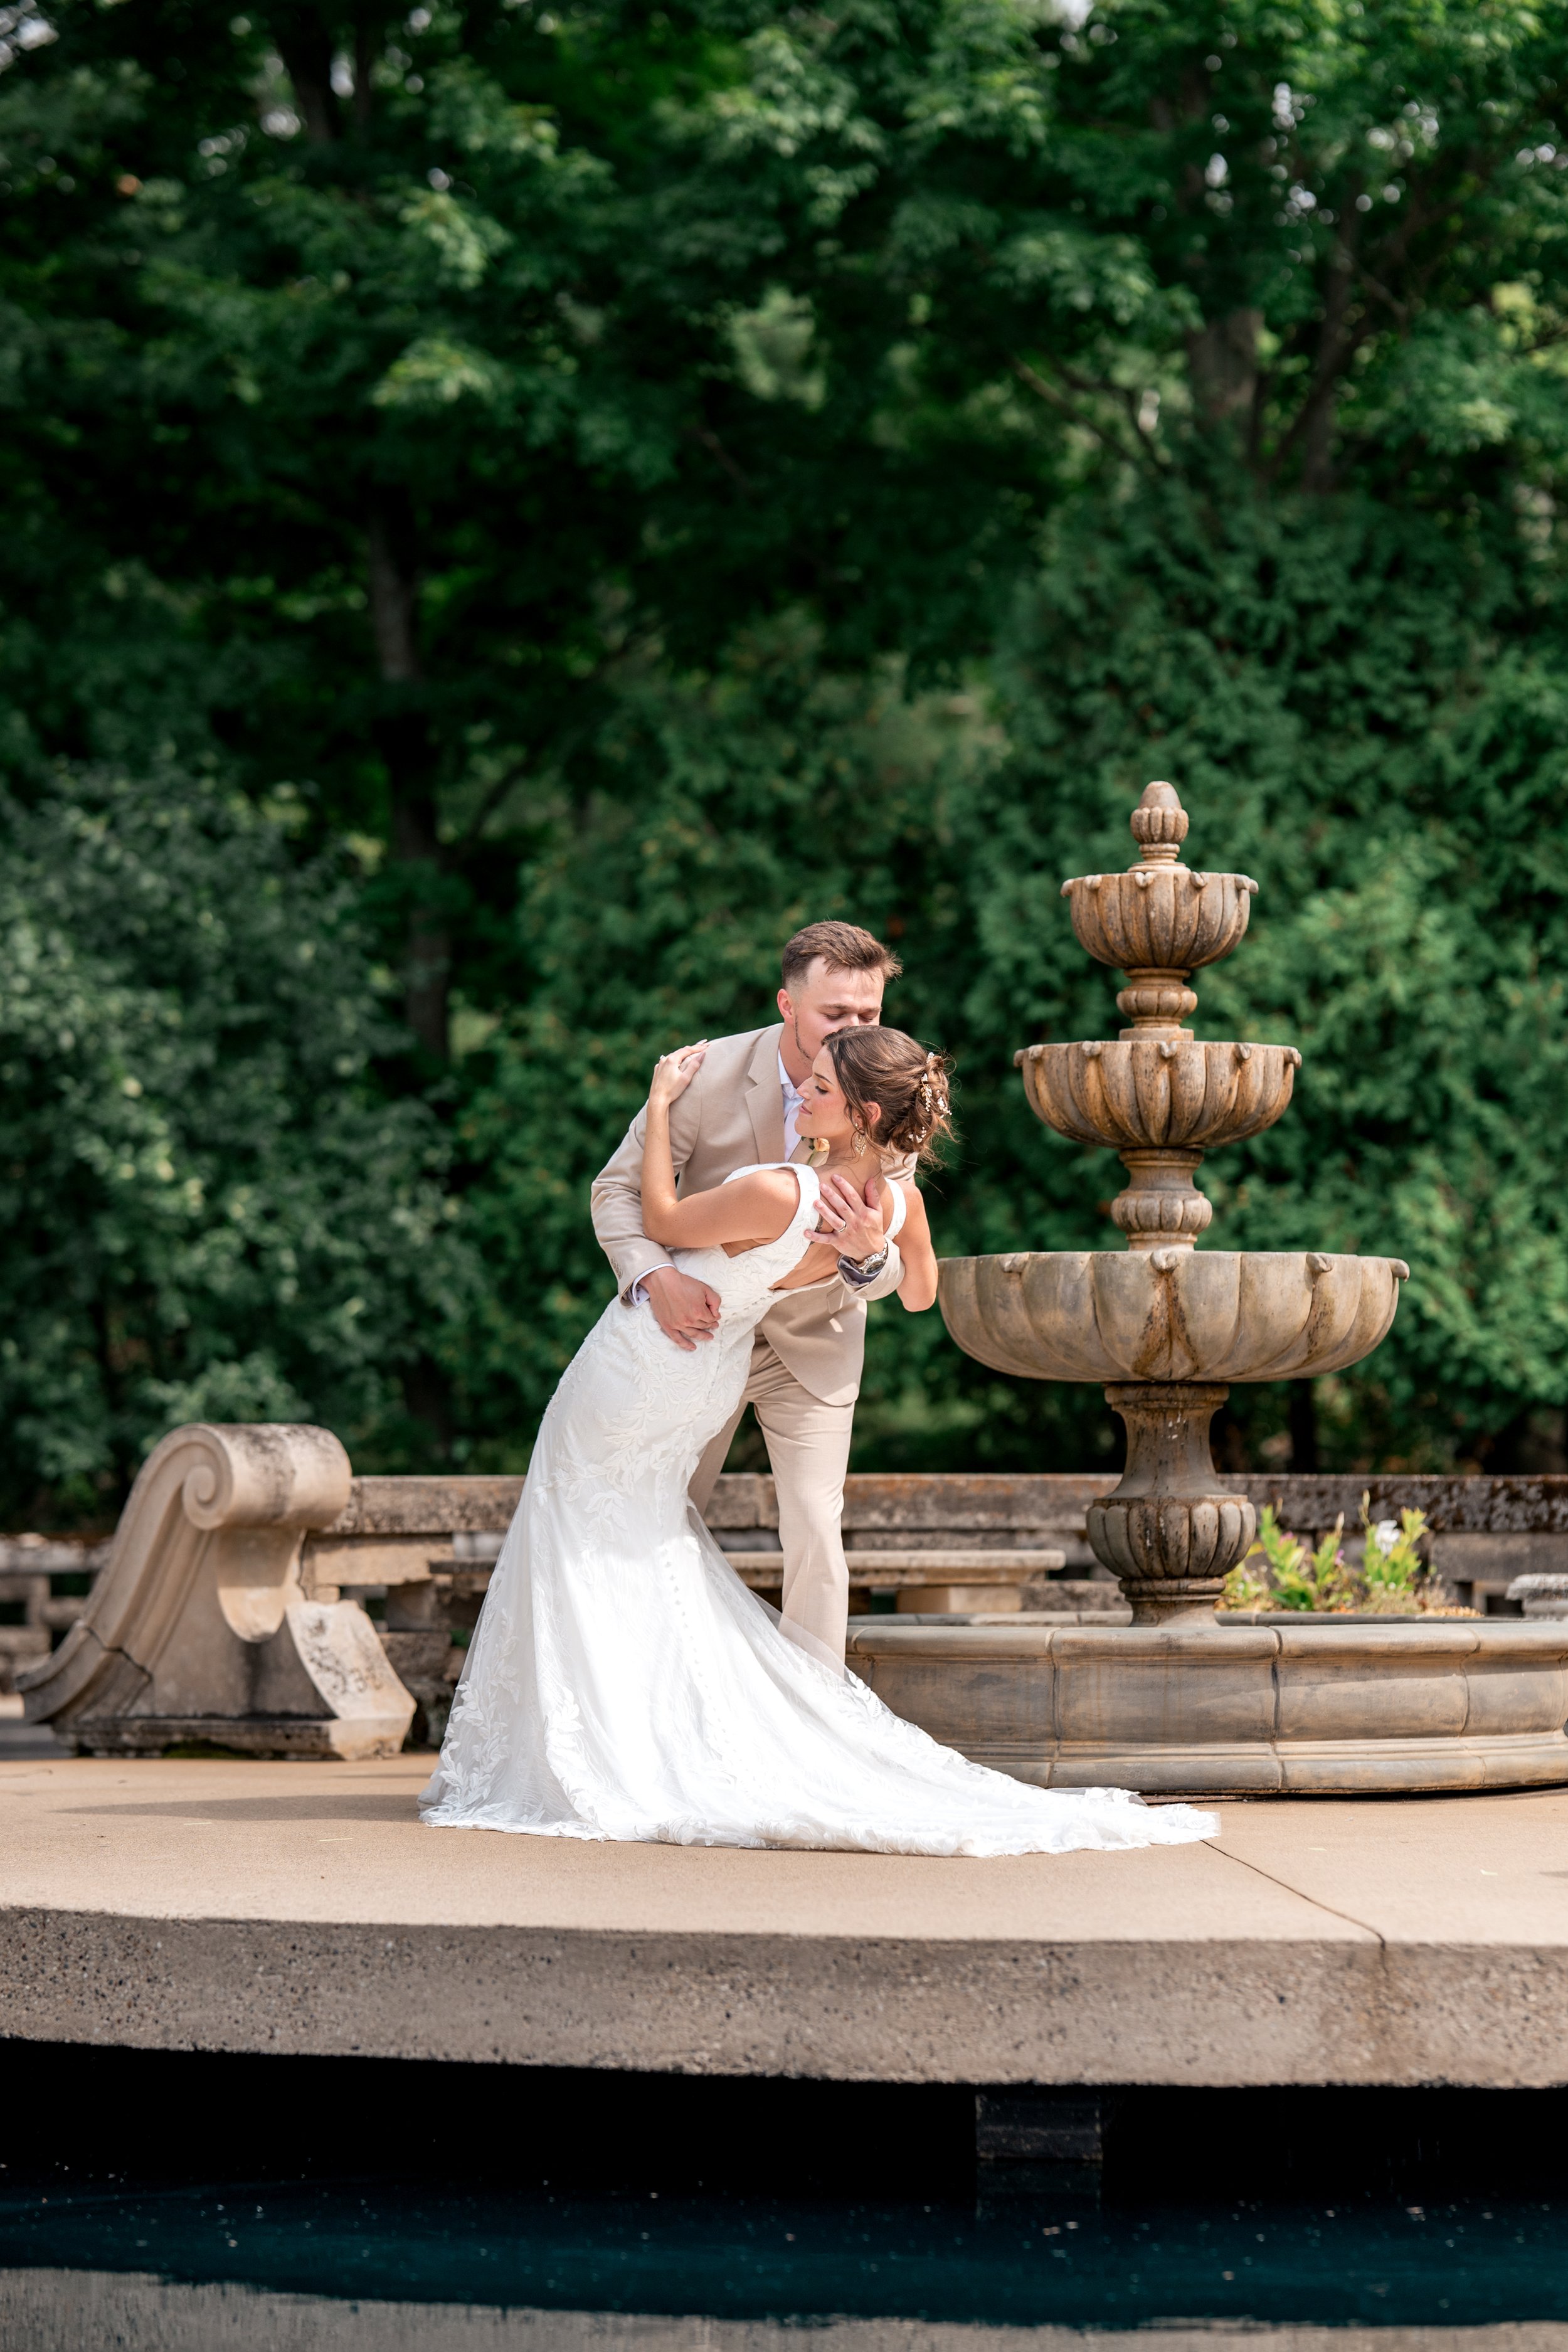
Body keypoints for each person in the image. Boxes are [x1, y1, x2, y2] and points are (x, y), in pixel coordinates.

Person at [420, 1020, 1217, 1854]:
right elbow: (922, 1293)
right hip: (703, 1376)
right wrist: (874, 1250)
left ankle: (611, 1744)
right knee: (641, 1542)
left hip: (645, 1367)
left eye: (823, 1088)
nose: (802, 1089)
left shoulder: (775, 1190)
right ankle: (646, 1734)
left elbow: (661, 1212)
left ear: (865, 1113)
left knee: (585, 1531)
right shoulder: (895, 1199)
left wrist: (658, 1105)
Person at [590, 920, 911, 1665]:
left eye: (870, 1014)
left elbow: (901, 1265)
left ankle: (818, 1728)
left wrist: (868, 1263)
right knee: (661, 1516)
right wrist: (654, 1276)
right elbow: (616, 1191)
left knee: (813, 1530)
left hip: (814, 1345)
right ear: (788, 1005)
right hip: (692, 1334)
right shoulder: (706, 1076)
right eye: (838, 1016)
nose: (858, 1030)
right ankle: (651, 1705)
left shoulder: (887, 1089)